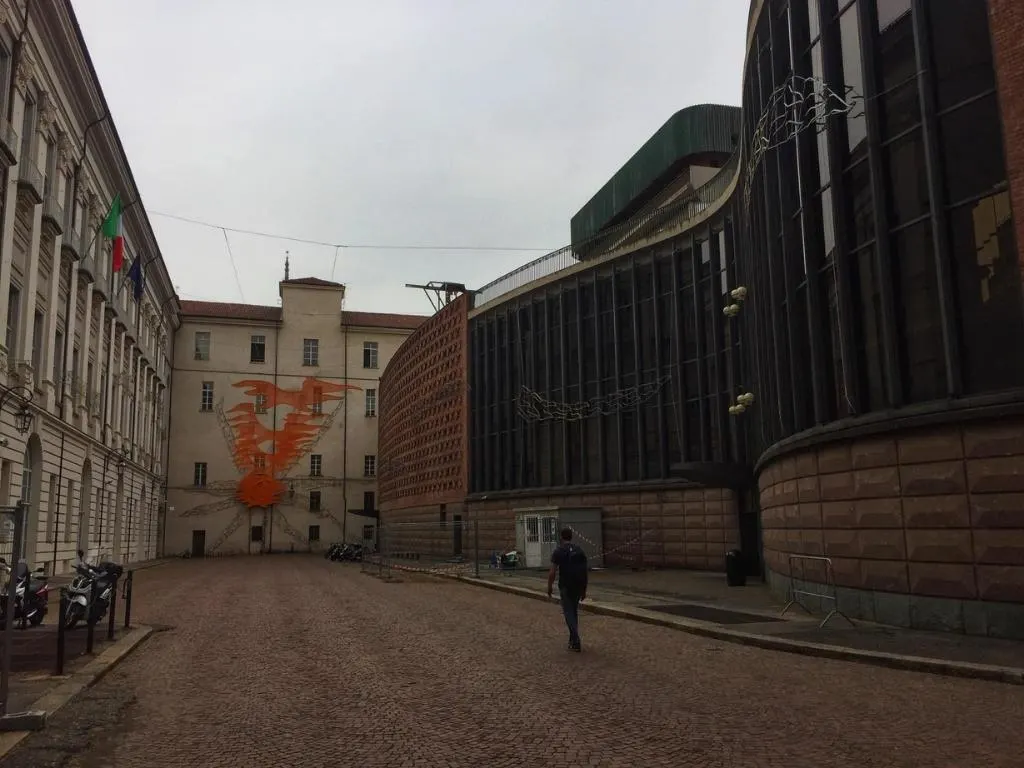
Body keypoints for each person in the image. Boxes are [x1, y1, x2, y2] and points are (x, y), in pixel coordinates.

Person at [547, 527, 588, 652]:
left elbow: (552, 572)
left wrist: (549, 586)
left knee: (568, 613)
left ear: (561, 537)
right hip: (578, 584)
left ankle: (575, 639)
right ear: (571, 536)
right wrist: (584, 589)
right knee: (574, 612)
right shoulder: (579, 550)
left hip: (565, 585)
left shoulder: (559, 551)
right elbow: (584, 571)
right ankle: (572, 640)